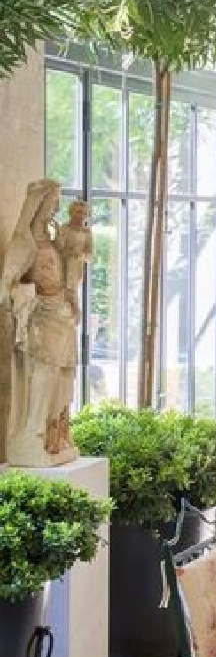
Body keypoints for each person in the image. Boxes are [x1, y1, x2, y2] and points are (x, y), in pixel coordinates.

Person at [0, 179, 85, 466]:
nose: (57, 207)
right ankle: (32, 434)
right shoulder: (24, 242)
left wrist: (72, 294)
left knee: (64, 377)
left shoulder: (54, 239)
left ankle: (56, 436)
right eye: (52, 201)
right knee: (44, 375)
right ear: (38, 204)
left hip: (62, 316)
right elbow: (6, 287)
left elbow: (67, 272)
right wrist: (26, 296)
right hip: (41, 317)